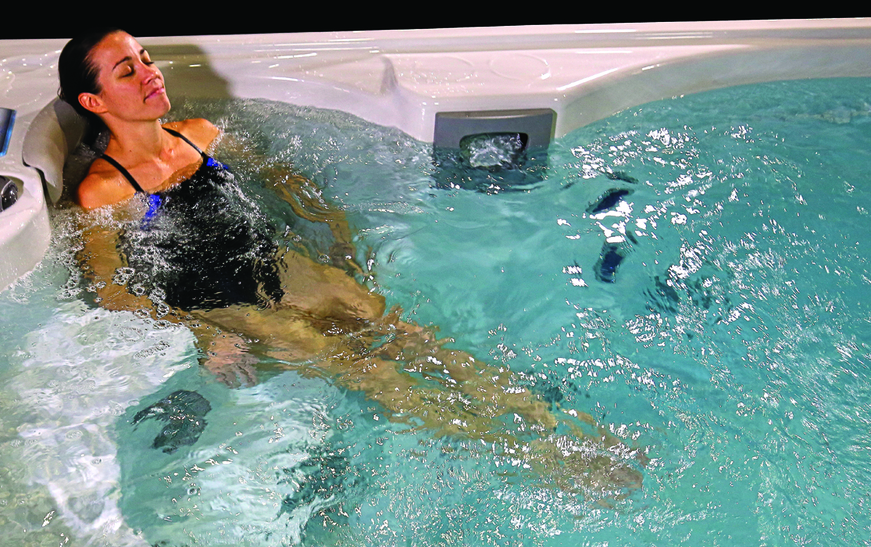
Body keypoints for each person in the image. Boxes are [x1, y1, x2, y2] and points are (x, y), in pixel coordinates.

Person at [59, 29, 644, 496]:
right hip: (223, 302)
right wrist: (206, 332)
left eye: (145, 56)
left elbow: (286, 181)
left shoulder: (201, 135)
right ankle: (539, 463)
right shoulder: (106, 191)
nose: (150, 71)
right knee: (370, 372)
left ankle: (573, 433)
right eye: (126, 70)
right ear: (93, 101)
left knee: (413, 339)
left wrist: (339, 239)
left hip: (281, 266)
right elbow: (113, 291)